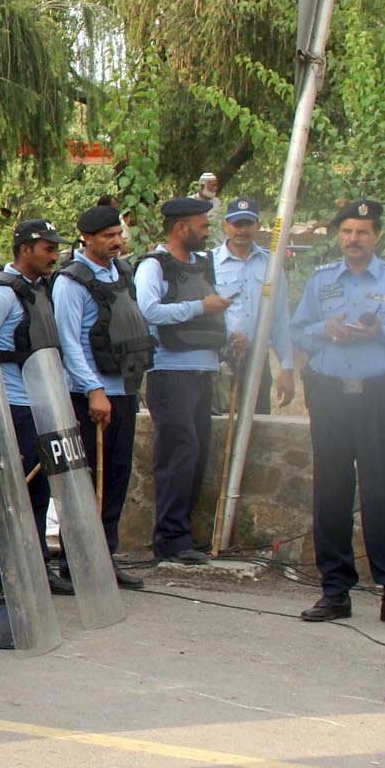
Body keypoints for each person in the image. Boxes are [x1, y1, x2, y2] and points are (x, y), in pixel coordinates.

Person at [290, 200, 385, 631]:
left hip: (378, 396)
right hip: (331, 394)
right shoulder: (320, 280)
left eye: (363, 232)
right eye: (347, 231)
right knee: (330, 493)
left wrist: (381, 331)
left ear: (376, 237)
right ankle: (334, 591)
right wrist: (326, 330)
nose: (353, 239)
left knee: (383, 494)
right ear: (339, 236)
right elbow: (298, 329)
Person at [0, 218, 74, 599]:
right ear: (25, 248)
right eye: (47, 248)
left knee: (37, 496)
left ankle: (29, 571)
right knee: (5, 495)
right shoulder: (0, 295)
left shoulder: (39, 292)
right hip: (12, 407)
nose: (54, 255)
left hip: (41, 406)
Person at [52, 202, 151, 589]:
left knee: (116, 478)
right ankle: (76, 564)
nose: (116, 242)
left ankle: (105, 558)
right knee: (86, 483)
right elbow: (70, 342)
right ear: (87, 239)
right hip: (89, 395)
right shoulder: (71, 282)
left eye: (118, 235)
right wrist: (93, 389)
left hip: (123, 389)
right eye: (107, 236)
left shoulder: (123, 273)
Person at [135, 196, 236, 564]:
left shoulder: (202, 264)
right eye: (203, 225)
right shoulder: (153, 265)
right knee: (179, 452)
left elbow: (215, 311)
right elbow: (148, 310)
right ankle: (169, 538)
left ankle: (182, 534)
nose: (208, 232)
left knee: (196, 453)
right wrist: (198, 308)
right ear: (181, 228)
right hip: (169, 370)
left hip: (202, 369)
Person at [212, 197, 295, 414]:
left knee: (256, 426)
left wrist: (286, 367)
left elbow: (280, 319)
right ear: (225, 226)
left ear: (257, 226)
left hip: (257, 359)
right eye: (237, 224)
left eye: (248, 224)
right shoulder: (208, 263)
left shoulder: (272, 264)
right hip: (219, 359)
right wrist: (225, 338)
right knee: (217, 428)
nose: (242, 230)